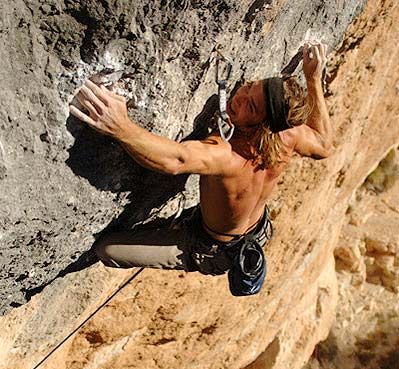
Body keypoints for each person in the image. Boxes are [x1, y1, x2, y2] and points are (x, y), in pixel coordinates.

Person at [70, 43, 332, 293]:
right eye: (250, 86)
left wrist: (120, 127)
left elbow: (176, 161)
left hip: (208, 248)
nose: (240, 96)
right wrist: (313, 78)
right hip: (255, 229)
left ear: (263, 125)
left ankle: (181, 236)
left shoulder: (227, 155)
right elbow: (324, 145)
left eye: (250, 106)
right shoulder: (288, 133)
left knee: (108, 249)